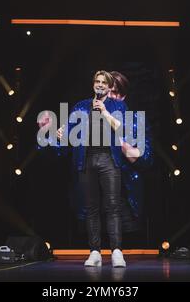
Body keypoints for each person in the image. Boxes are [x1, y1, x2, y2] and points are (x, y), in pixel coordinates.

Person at [39, 70, 129, 267]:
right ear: (93, 84)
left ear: (109, 86)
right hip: (86, 160)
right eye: (97, 81)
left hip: (108, 159)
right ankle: (95, 251)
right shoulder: (81, 105)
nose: (100, 85)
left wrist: (104, 111)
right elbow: (68, 132)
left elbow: (122, 128)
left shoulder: (117, 105)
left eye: (104, 82)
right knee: (91, 208)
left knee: (113, 206)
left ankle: (116, 252)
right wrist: (58, 131)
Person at [109, 71, 153, 232]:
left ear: (122, 96)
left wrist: (119, 142)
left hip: (124, 199)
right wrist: (50, 134)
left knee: (128, 250)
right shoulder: (88, 118)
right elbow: (64, 152)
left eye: (113, 92)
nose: (109, 97)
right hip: (94, 199)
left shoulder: (135, 120)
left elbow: (146, 160)